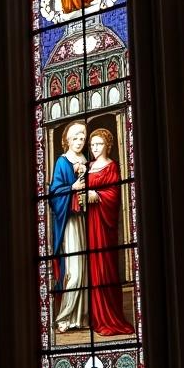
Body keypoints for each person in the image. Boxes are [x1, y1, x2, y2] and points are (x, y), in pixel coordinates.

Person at [85, 129, 135, 335]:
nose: (95, 148)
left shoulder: (111, 166)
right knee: (90, 266)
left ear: (108, 146)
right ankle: (95, 316)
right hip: (89, 222)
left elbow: (114, 193)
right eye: (93, 145)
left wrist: (96, 195)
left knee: (104, 265)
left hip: (103, 225)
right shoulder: (87, 167)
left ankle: (109, 316)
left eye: (99, 144)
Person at [50, 121, 88, 331]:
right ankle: (64, 317)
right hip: (70, 221)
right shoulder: (62, 162)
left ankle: (80, 317)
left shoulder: (86, 160)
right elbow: (54, 192)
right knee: (73, 270)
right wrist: (72, 187)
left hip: (83, 219)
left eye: (82, 138)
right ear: (67, 140)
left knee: (84, 269)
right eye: (75, 138)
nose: (79, 142)